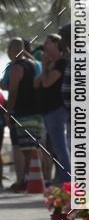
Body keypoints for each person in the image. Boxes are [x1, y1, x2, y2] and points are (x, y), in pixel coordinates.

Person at [4, 38, 44, 191]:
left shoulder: (16, 68)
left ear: (13, 50)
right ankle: (33, 179)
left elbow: (13, 93)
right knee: (34, 148)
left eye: (8, 49)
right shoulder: (35, 65)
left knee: (25, 150)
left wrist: (8, 112)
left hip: (22, 112)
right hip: (36, 112)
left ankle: (25, 181)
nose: (7, 53)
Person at [33, 34, 70, 184]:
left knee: (60, 145)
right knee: (55, 145)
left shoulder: (61, 63)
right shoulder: (50, 64)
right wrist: (44, 67)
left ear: (56, 45)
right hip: (47, 110)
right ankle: (61, 176)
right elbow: (36, 84)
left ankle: (67, 178)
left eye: (48, 43)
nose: (45, 47)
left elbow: (47, 83)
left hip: (56, 109)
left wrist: (45, 70)